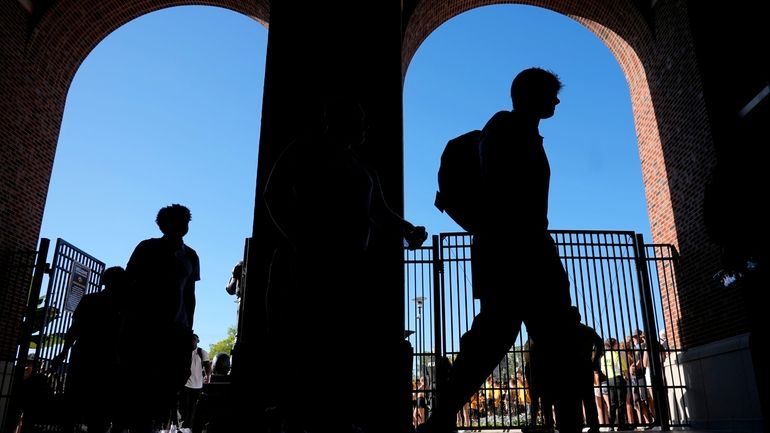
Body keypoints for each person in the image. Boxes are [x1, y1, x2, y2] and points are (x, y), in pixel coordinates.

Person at [419, 67, 578, 433]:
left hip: (515, 246)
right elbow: (503, 192)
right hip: (519, 247)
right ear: (527, 94)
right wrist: (518, 236)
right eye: (549, 93)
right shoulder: (506, 129)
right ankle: (442, 418)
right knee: (536, 336)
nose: (555, 100)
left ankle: (441, 418)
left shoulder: (520, 134)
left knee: (503, 337)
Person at [263, 94, 427, 432]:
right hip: (308, 260)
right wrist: (299, 239)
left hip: (347, 263)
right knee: (311, 339)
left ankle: (327, 415)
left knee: (339, 342)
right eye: (359, 119)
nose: (365, 126)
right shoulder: (305, 149)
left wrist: (407, 229)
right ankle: (302, 415)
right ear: (338, 120)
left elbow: (379, 212)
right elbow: (274, 194)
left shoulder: (362, 166)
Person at [120, 204, 200, 433]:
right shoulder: (147, 248)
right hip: (146, 327)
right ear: (164, 224)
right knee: (143, 386)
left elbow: (190, 295)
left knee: (167, 387)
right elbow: (129, 282)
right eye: (178, 220)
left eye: (185, 221)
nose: (183, 226)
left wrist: (188, 329)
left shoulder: (191, 255)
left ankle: (149, 425)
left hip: (176, 330)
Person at [49, 266, 127, 433]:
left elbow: (74, 331)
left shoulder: (90, 300)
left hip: (83, 356)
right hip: (107, 362)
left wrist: (62, 354)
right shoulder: (124, 308)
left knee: (72, 405)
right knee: (99, 413)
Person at [178, 333, 211, 430]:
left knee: (192, 409)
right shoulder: (184, 352)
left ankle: (188, 428)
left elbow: (207, 365)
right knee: (183, 407)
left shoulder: (202, 352)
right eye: (191, 339)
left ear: (198, 341)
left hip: (197, 386)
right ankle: (182, 426)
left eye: (194, 339)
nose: (192, 341)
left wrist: (208, 377)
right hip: (185, 384)